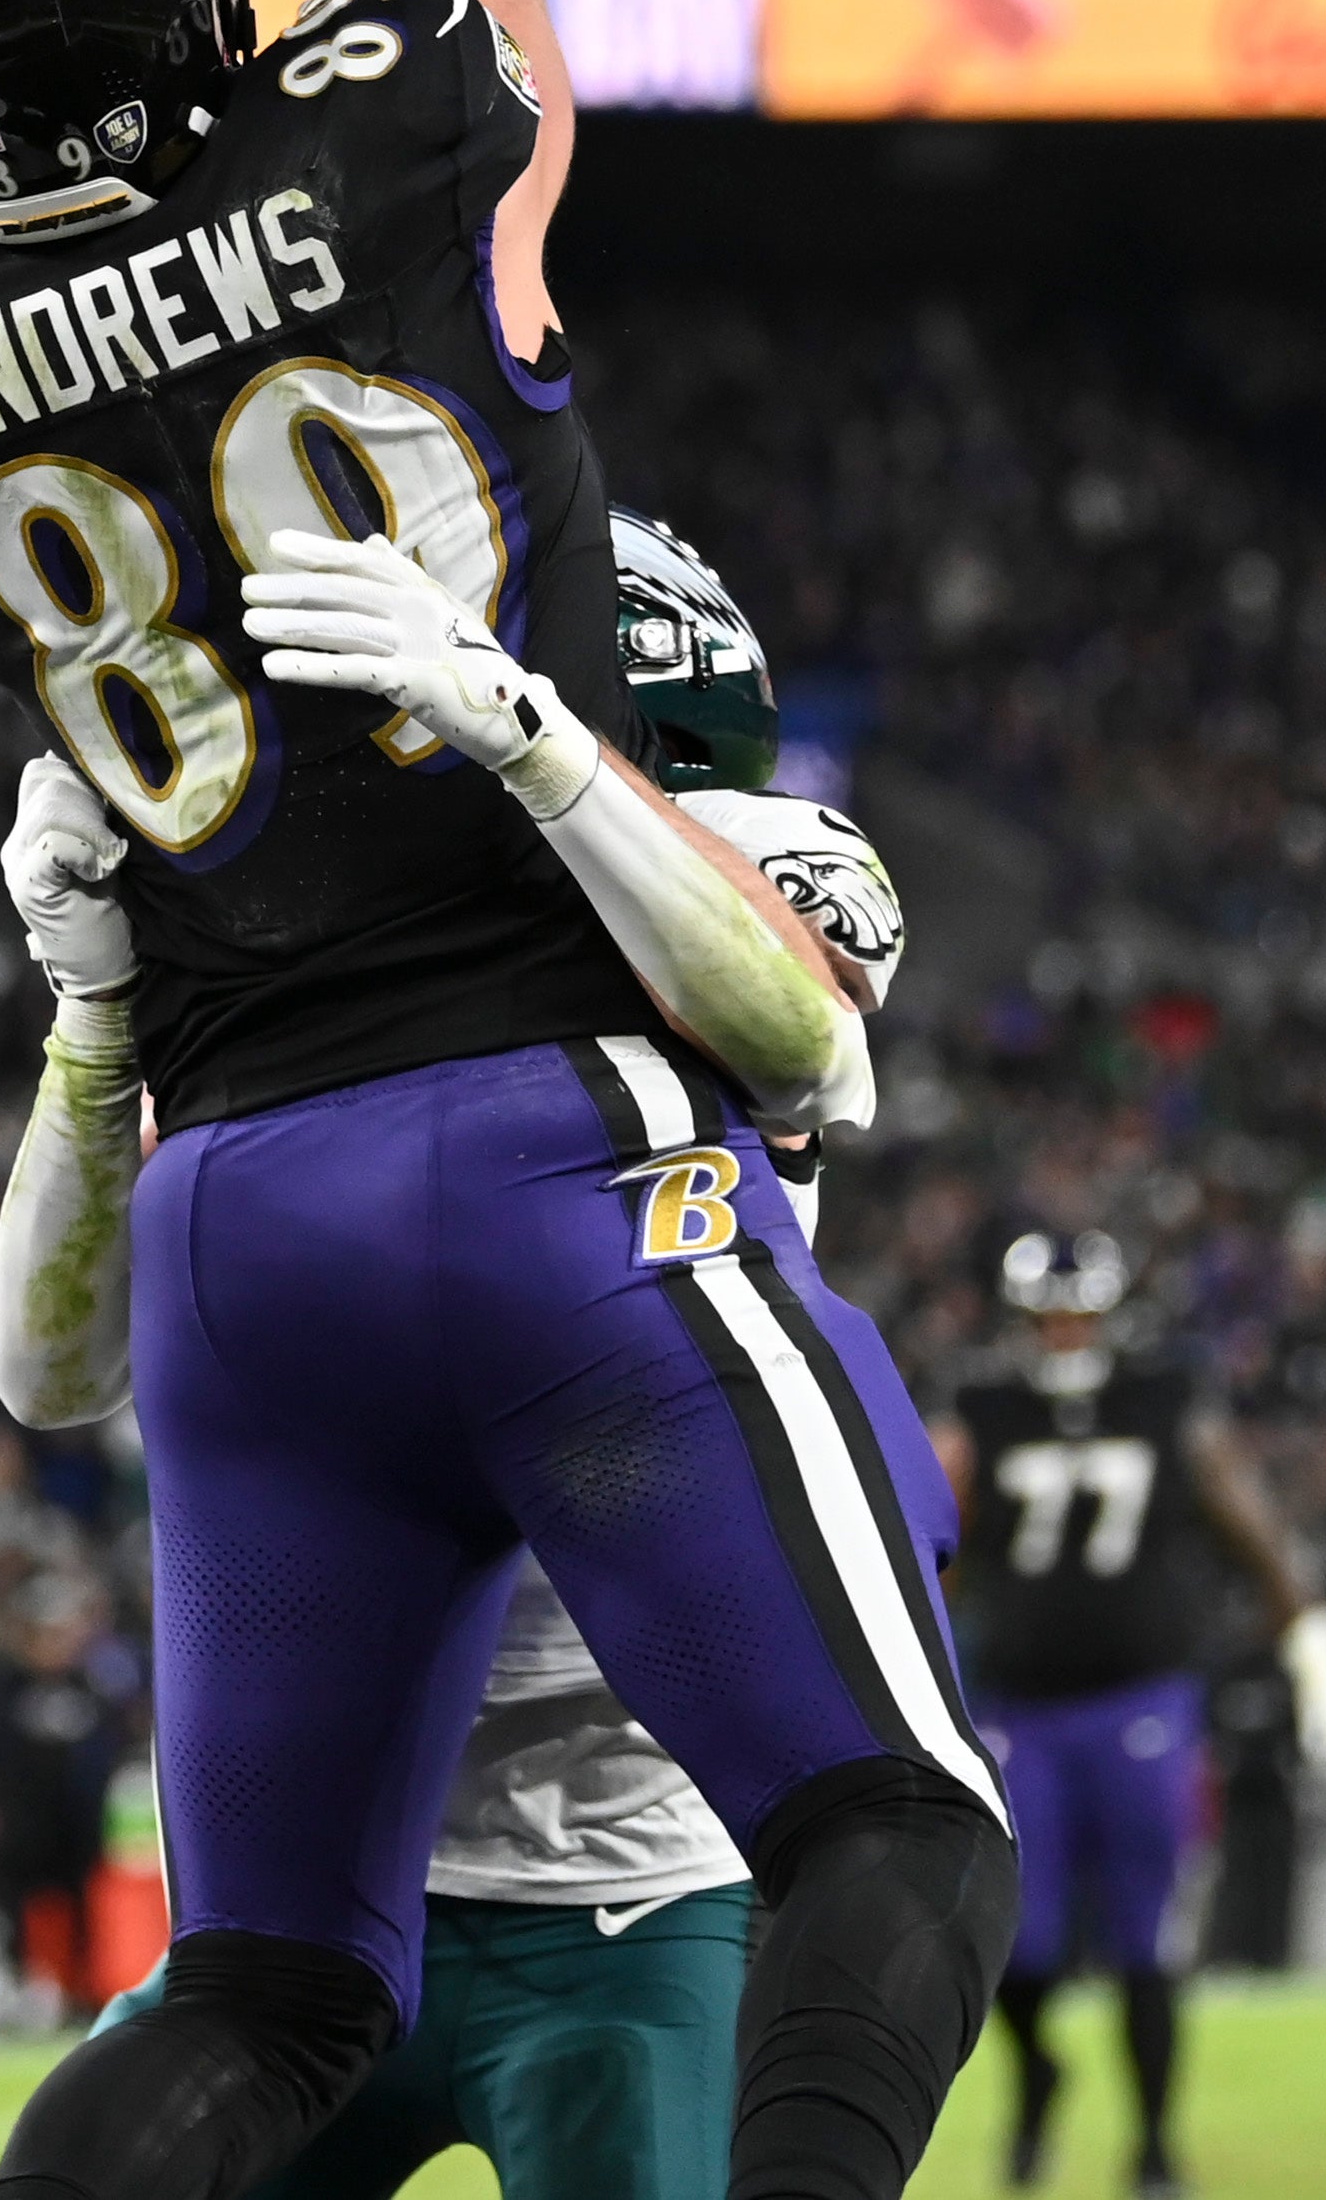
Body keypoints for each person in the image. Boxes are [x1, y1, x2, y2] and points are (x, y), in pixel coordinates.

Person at [0, 0, 1012, 2200]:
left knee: (267, 1986)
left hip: (229, 1211)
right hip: (541, 1129)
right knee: (893, 1827)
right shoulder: (386, 153)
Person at [65, 515, 914, 2200]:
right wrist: (94, 1001)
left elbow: (810, 1008)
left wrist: (518, 739)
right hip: (329, 1868)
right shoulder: (294, 983)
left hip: (620, 1872)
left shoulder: (733, 870)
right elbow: (57, 1356)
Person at [933, 1230, 1326, 2197]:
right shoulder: (983, 1413)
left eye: (1077, 1314)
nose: (1062, 1333)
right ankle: (1039, 2074)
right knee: (1018, 1943)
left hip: (1143, 1701)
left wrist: (1316, 1647)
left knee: (1147, 1938)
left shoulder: (1164, 1401)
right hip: (1022, 1710)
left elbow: (1250, 1526)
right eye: (1046, 1315)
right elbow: (931, 1546)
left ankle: (1153, 2144)